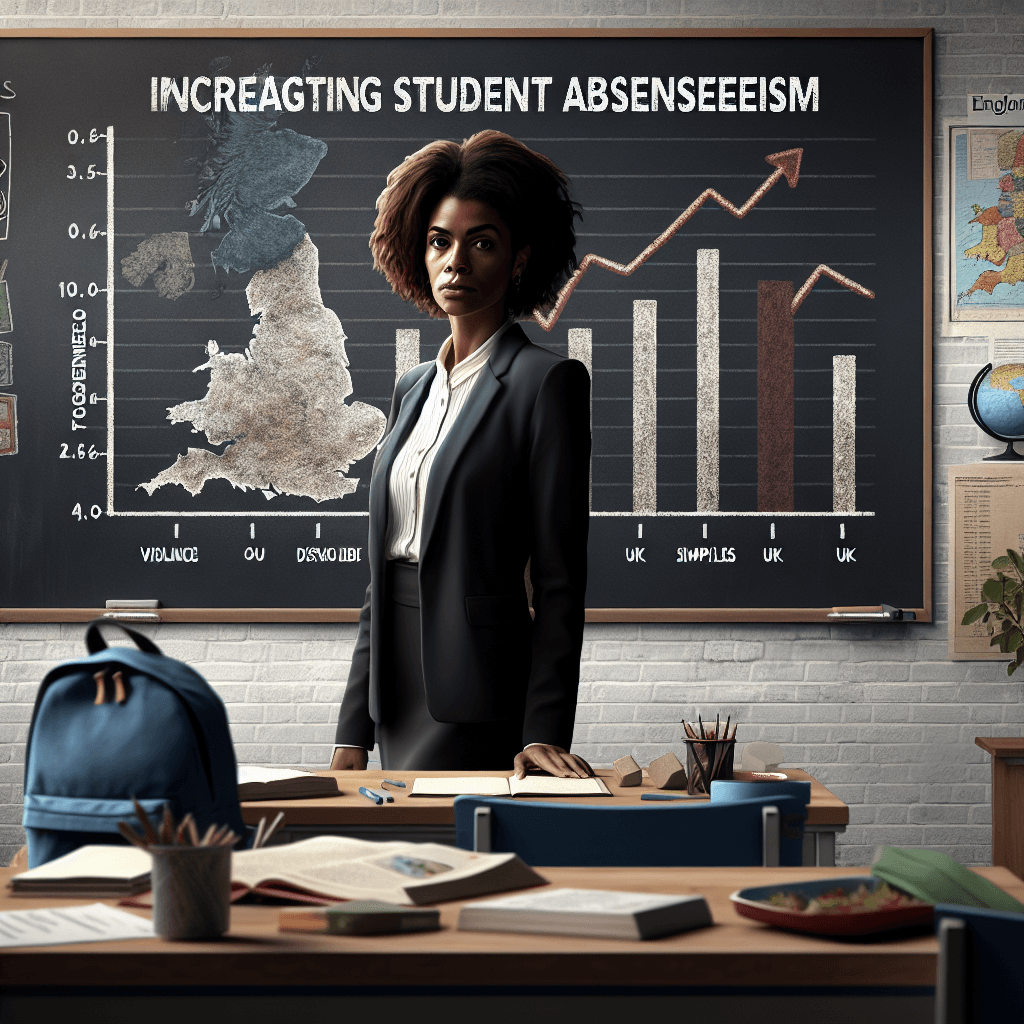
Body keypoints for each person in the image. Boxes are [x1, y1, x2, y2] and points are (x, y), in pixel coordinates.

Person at [331, 130, 592, 779]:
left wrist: (544, 730)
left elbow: (560, 582)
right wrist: (351, 729)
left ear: (519, 259)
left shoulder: (546, 383)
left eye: (482, 243)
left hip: (478, 690)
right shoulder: (411, 388)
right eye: (439, 242)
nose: (456, 262)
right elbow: (380, 577)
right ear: (418, 253)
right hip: (393, 693)